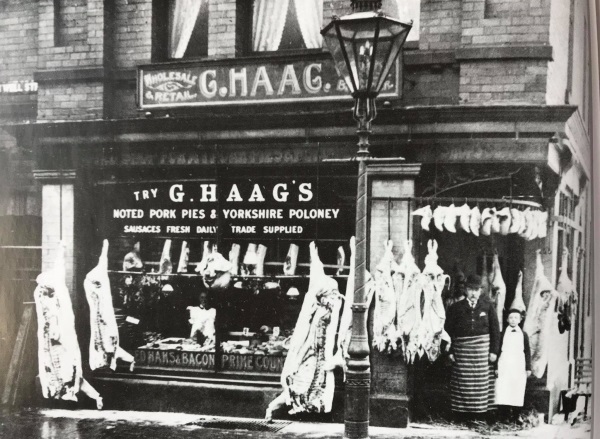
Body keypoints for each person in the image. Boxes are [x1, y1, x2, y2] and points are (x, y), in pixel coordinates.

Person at [445, 274, 500, 421]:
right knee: (462, 382)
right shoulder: (456, 308)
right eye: (470, 289)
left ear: (481, 291)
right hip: (462, 351)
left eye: (476, 290)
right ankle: (461, 414)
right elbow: (447, 331)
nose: (473, 293)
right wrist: (450, 351)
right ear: (466, 291)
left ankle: (480, 414)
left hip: (482, 352)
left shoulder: (488, 307)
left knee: (481, 383)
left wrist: (494, 351)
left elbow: (495, 330)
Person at [494, 309, 532, 424]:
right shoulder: (502, 334)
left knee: (517, 389)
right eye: (511, 317)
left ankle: (516, 415)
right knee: (503, 389)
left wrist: (528, 367)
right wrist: (495, 367)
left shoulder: (524, 335)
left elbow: (527, 351)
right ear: (507, 319)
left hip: (518, 365)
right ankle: (504, 415)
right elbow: (497, 350)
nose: (513, 320)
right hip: (504, 365)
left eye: (516, 317)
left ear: (520, 320)